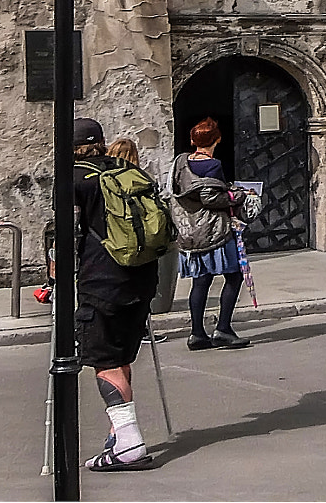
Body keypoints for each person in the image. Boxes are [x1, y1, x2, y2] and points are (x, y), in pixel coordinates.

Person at [72, 116, 163, 471]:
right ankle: (119, 434)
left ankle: (128, 443)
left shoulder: (74, 178)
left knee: (105, 360)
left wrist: (53, 276)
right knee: (121, 355)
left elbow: (63, 233)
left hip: (101, 281)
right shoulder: (125, 169)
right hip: (141, 277)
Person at [171, 116, 249, 351]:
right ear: (217, 139)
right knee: (234, 277)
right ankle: (223, 328)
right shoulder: (212, 165)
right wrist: (237, 196)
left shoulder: (181, 162)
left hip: (191, 229)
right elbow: (210, 197)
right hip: (215, 230)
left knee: (201, 281)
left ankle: (197, 333)